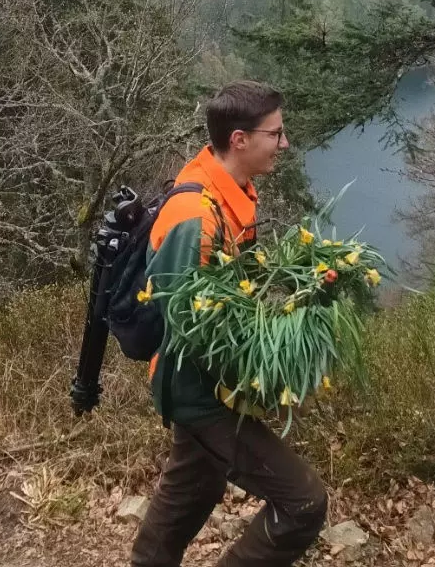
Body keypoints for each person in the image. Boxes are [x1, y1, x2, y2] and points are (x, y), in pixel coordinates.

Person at [131, 81, 329, 567]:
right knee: (303, 503)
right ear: (239, 140)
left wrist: (302, 282)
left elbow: (235, 284)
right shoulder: (195, 216)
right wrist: (269, 344)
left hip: (210, 382)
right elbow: (184, 320)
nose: (284, 143)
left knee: (193, 487)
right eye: (275, 134)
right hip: (198, 390)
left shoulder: (230, 191)